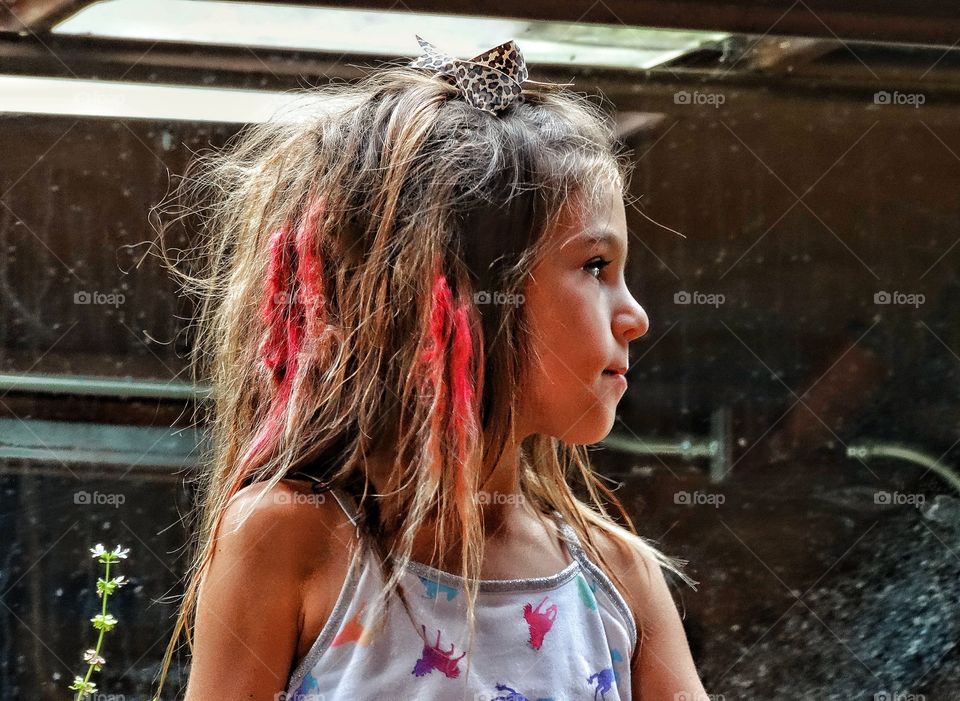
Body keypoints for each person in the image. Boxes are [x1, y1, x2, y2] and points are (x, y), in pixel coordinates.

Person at [152, 36, 709, 701]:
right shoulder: (288, 538)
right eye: (596, 266)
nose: (635, 315)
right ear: (462, 295)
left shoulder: (621, 577)